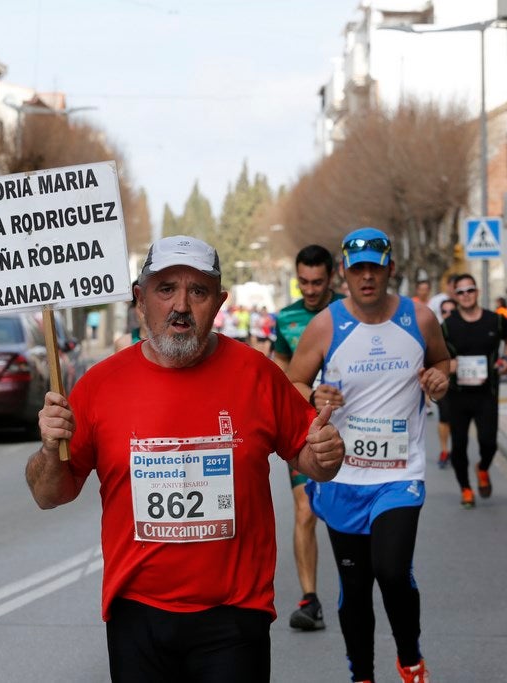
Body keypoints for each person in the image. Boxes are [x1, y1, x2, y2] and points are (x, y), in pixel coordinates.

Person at [26, 235, 345, 683]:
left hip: (235, 613)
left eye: (197, 291)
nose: (181, 305)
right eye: (165, 289)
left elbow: (313, 460)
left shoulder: (256, 375)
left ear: (219, 303)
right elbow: (48, 495)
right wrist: (47, 448)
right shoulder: (99, 387)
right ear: (140, 300)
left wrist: (328, 452)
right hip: (137, 613)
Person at [286, 227, 450, 683]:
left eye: (375, 268)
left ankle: (410, 659)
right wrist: (314, 394)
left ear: (389, 269)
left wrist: (440, 379)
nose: (367, 278)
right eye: (357, 269)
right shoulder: (326, 326)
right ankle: (362, 675)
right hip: (342, 476)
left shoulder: (419, 319)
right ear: (344, 273)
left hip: (400, 474)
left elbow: (441, 362)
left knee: (392, 571)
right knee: (355, 588)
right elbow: (294, 383)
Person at [271, 244, 345, 632]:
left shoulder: (350, 312)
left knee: (346, 514)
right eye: (303, 282)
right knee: (304, 510)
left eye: (318, 282)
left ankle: (356, 587)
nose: (310, 290)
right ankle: (310, 599)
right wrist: (308, 395)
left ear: (331, 277)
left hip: (352, 429)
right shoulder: (287, 318)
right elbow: (281, 374)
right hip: (302, 430)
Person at [442, 274, 507, 509]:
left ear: (477, 292)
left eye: (470, 290)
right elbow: (435, 354)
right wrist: (447, 365)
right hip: (458, 394)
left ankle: (482, 468)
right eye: (461, 292)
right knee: (460, 445)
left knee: (489, 443)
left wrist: (505, 359)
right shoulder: (448, 325)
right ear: (455, 295)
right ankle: (465, 488)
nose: (466, 295)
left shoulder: (495, 321)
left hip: (487, 393)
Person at [435, 298, 458, 469]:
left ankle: (458, 450)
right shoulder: (438, 332)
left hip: (466, 383)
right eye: (445, 312)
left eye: (452, 311)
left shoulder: (466, 328)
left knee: (459, 419)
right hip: (445, 382)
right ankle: (444, 450)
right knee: (444, 417)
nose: (448, 315)